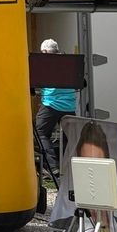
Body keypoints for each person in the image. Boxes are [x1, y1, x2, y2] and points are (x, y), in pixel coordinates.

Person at [34, 38, 74, 167]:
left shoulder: (45, 64)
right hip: (69, 106)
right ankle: (66, 168)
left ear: (45, 51)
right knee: (69, 137)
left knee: (40, 133)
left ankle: (52, 166)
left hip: (51, 105)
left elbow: (36, 82)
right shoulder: (70, 63)